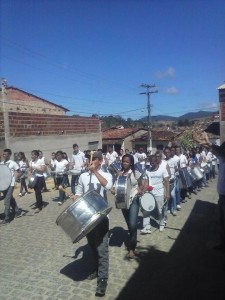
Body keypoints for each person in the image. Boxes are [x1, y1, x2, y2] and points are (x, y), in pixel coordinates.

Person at [71, 151, 113, 297]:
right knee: (92, 247)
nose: (92, 161)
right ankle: (96, 269)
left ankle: (102, 279)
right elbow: (79, 192)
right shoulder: (83, 176)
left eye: (95, 159)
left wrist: (95, 172)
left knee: (102, 249)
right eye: (91, 159)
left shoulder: (106, 174)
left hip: (101, 217)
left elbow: (108, 187)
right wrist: (75, 197)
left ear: (100, 161)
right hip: (87, 218)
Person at [114, 154, 144, 258]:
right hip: (123, 202)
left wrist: (140, 191)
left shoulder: (135, 173)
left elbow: (141, 184)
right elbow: (116, 188)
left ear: (131, 162)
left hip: (134, 200)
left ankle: (131, 249)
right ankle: (132, 238)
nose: (124, 163)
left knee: (132, 224)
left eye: (127, 161)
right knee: (130, 225)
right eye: (123, 161)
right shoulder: (120, 174)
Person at [141, 154, 170, 233]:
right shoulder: (148, 170)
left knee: (160, 209)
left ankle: (161, 223)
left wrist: (167, 193)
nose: (152, 165)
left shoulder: (162, 170)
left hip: (159, 191)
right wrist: (144, 190)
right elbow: (146, 182)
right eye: (150, 163)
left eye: (153, 163)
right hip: (149, 191)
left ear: (157, 162)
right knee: (146, 208)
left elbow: (167, 181)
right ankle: (146, 226)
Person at [0, 149, 23, 225]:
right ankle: (18, 211)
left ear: (9, 155)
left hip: (11, 184)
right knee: (10, 199)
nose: (4, 155)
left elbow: (20, 172)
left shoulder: (13, 163)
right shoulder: (2, 163)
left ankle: (7, 219)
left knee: (7, 201)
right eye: (3, 154)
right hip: (3, 185)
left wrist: (16, 177)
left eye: (6, 154)